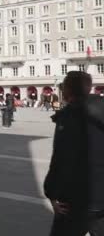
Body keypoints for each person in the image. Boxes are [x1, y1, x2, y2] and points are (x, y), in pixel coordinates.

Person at [44, 71, 104, 235]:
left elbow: (62, 159)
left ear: (67, 90)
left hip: (76, 200)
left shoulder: (69, 116)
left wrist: (51, 193)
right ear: (89, 88)